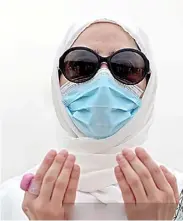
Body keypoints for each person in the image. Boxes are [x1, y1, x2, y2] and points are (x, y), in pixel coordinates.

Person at [1, 15, 183, 220]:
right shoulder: (12, 201)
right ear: (56, 81)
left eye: (126, 67)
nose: (103, 80)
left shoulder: (176, 199)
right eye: (81, 64)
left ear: (149, 85)